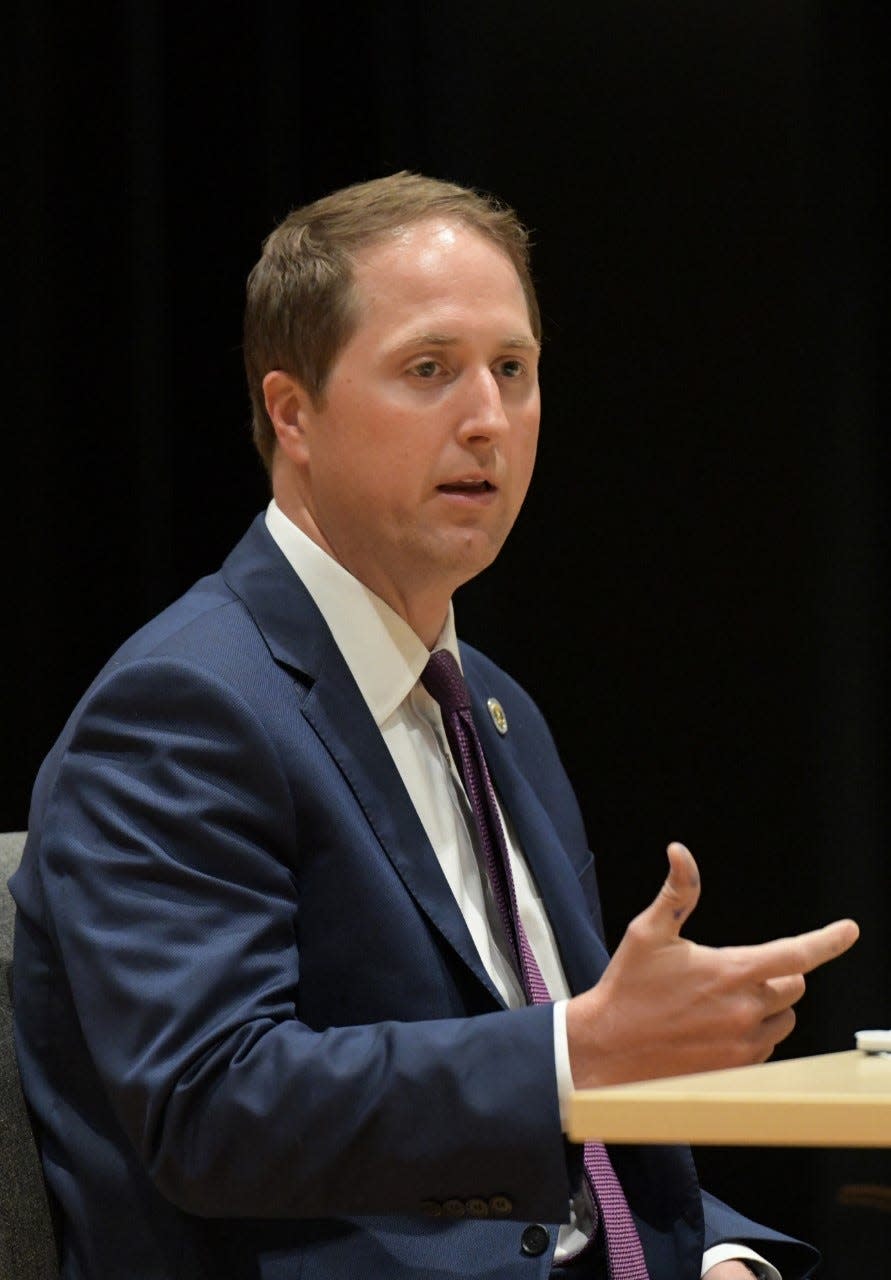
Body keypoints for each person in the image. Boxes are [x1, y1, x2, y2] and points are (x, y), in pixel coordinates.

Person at [11, 173, 858, 1280]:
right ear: (292, 411)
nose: (487, 418)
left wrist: (720, 1255)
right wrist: (575, 1049)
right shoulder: (185, 709)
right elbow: (209, 1107)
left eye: (514, 369)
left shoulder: (495, 709)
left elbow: (575, 1120)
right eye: (430, 369)